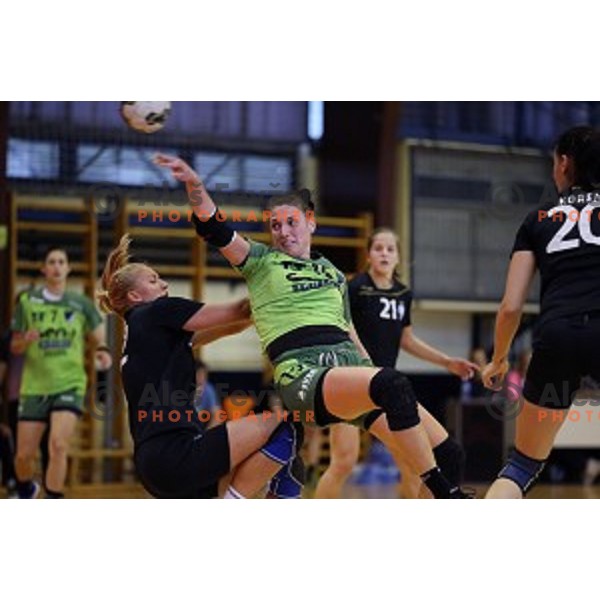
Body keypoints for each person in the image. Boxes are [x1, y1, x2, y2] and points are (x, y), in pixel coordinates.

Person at [155, 153, 471, 499]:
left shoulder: (334, 274)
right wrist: (195, 184)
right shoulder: (260, 261)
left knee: (450, 452)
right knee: (377, 410)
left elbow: (348, 329)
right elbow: (214, 226)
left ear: (310, 223)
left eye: (291, 223)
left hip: (347, 367)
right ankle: (447, 493)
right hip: (301, 373)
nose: (283, 232)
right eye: (275, 226)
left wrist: (369, 369)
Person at [98, 234, 303, 499]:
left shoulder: (144, 333)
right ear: (135, 295)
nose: (164, 284)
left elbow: (232, 325)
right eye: (153, 280)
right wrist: (284, 284)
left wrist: (263, 313)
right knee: (285, 427)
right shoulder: (156, 312)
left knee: (281, 460)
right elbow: (239, 311)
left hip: (155, 464)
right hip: (177, 453)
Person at [482, 126, 600, 499]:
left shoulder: (538, 219)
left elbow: (511, 306)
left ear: (565, 163)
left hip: (556, 336)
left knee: (522, 466)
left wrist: (498, 359)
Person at [315, 228, 476, 498]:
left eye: (390, 249)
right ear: (368, 255)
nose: (384, 253)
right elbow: (341, 328)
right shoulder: (355, 288)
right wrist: (363, 361)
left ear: (399, 257)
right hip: (351, 383)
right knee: (343, 462)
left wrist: (446, 362)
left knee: (415, 464)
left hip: (387, 391)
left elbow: (408, 340)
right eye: (378, 248)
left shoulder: (403, 294)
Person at [10, 247, 113, 499]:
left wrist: (101, 351)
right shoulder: (27, 302)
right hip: (34, 386)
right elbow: (14, 345)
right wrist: (25, 339)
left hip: (69, 384)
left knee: (58, 445)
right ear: (44, 269)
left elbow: (98, 336)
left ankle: (54, 500)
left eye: (61, 262)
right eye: (51, 262)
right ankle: (27, 489)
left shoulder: (81, 304)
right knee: (23, 456)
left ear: (68, 268)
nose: (56, 266)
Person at [192, 359, 221, 429]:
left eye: (204, 375)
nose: (202, 378)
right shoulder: (183, 389)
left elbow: (216, 415)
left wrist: (208, 433)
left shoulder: (208, 389)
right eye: (199, 375)